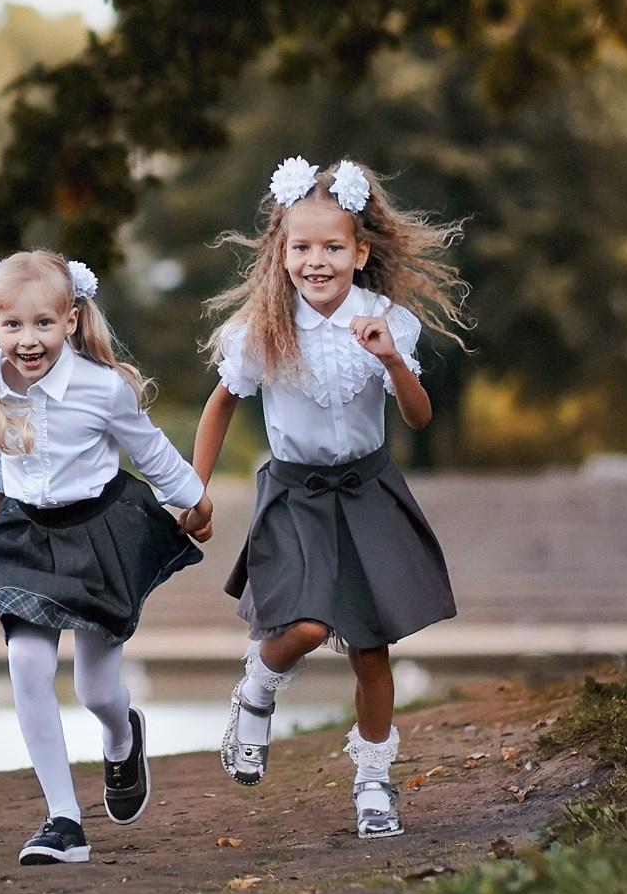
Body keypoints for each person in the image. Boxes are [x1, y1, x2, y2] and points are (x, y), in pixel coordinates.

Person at [190, 157, 469, 839]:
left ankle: (373, 782)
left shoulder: (385, 320)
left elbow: (419, 418)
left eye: (333, 247)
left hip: (368, 490)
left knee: (371, 651)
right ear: (282, 252)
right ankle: (259, 683)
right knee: (308, 626)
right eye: (302, 247)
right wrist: (193, 489)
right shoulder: (263, 327)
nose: (317, 261)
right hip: (296, 494)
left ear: (360, 252)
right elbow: (220, 404)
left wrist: (391, 359)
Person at [0, 250, 214, 866]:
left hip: (98, 535)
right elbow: (2, 443)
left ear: (71, 320)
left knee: (95, 689)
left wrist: (195, 500)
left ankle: (122, 736)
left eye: (43, 323)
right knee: (26, 663)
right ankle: (64, 821)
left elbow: (151, 452)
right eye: (13, 325)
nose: (27, 339)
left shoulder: (103, 389)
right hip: (26, 537)